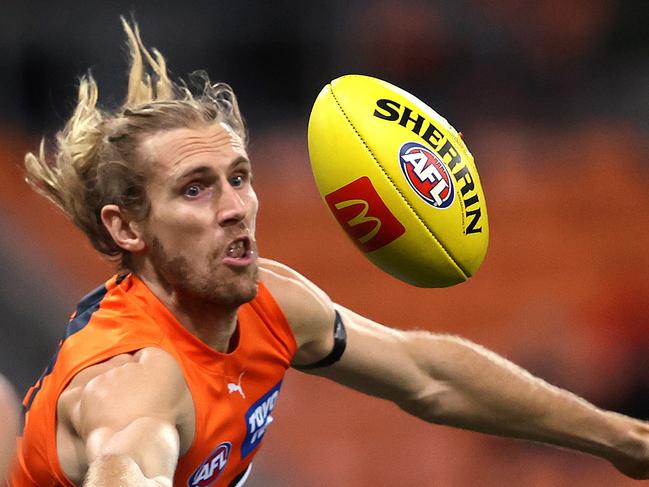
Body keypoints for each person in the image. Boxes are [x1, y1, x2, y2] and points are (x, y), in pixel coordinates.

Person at [8, 19, 649, 486]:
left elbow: (429, 375)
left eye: (239, 176)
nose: (234, 206)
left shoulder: (271, 303)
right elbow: (124, 460)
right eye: (195, 189)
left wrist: (623, 438)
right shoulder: (137, 377)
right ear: (128, 230)